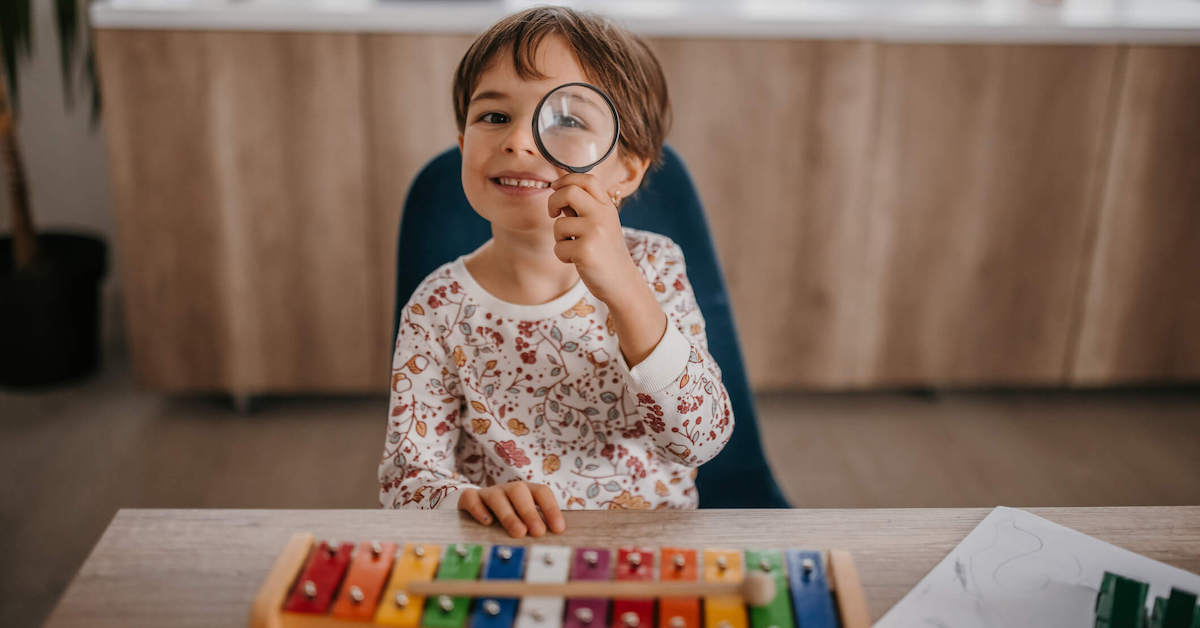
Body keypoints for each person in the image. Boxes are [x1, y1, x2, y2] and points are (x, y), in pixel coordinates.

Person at [379, 6, 733, 538]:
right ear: (462, 147)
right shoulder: (436, 308)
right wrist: (472, 501)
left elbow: (699, 440)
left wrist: (629, 294)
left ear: (627, 171)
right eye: (494, 117)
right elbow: (406, 483)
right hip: (508, 552)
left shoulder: (655, 267)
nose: (520, 141)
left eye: (566, 119)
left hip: (649, 547)